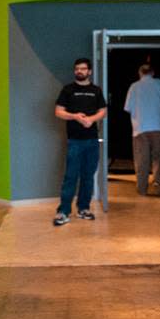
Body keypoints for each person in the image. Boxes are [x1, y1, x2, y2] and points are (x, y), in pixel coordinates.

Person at [53, 58, 107, 226]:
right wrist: (75, 117)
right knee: (71, 177)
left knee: (88, 176)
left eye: (83, 69)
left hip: (92, 140)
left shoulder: (96, 90)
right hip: (75, 141)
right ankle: (63, 212)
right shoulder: (68, 90)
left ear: (89, 71)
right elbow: (58, 112)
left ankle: (84, 208)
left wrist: (90, 119)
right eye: (77, 69)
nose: (79, 71)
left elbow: (103, 111)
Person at [123, 63, 160, 196]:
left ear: (140, 73)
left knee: (141, 158)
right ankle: (157, 181)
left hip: (140, 127)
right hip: (159, 126)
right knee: (159, 156)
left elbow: (127, 107)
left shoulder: (134, 86)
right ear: (153, 73)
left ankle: (142, 187)